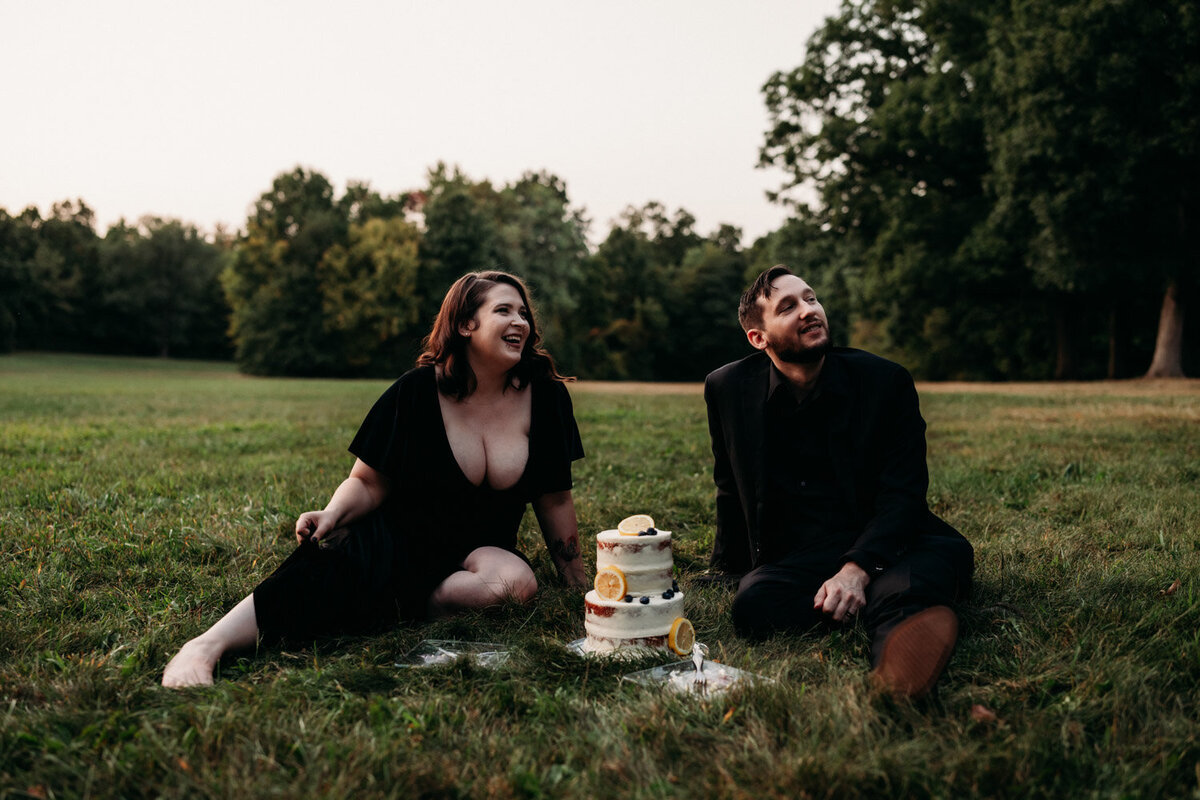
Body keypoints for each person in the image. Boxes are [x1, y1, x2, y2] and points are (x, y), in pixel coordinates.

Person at [163, 271, 588, 688]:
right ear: (464, 325)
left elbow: (554, 500)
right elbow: (367, 482)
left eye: (523, 313)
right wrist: (332, 512)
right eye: (503, 310)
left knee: (516, 583)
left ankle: (410, 602)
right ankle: (204, 646)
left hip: (480, 553)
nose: (520, 322)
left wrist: (579, 589)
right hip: (401, 542)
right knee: (315, 581)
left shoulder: (546, 398)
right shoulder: (417, 391)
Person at [704, 265, 974, 699]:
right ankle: (879, 605)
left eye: (811, 299)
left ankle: (896, 678)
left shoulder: (886, 382)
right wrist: (728, 566)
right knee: (753, 602)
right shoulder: (728, 387)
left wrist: (856, 570)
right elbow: (729, 485)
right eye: (788, 307)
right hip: (808, 554)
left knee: (905, 583)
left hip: (894, 541)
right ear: (759, 338)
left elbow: (903, 495)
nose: (809, 311)